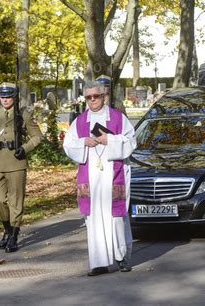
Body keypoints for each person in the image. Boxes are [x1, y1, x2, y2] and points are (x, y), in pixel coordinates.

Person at [63, 80, 136, 276]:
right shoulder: (79, 122)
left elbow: (131, 141)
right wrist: (83, 142)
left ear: (103, 96)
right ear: (85, 98)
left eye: (96, 96)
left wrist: (109, 140)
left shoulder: (118, 117)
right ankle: (99, 263)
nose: (93, 100)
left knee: (116, 219)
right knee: (93, 219)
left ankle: (121, 258)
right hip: (91, 179)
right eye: (88, 97)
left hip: (114, 175)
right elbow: (68, 145)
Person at [0, 83, 43, 252]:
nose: (5, 99)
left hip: (16, 163)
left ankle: (14, 235)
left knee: (16, 201)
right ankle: (7, 229)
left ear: (13, 97)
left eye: (8, 96)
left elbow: (37, 137)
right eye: (2, 96)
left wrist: (24, 148)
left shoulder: (24, 115)